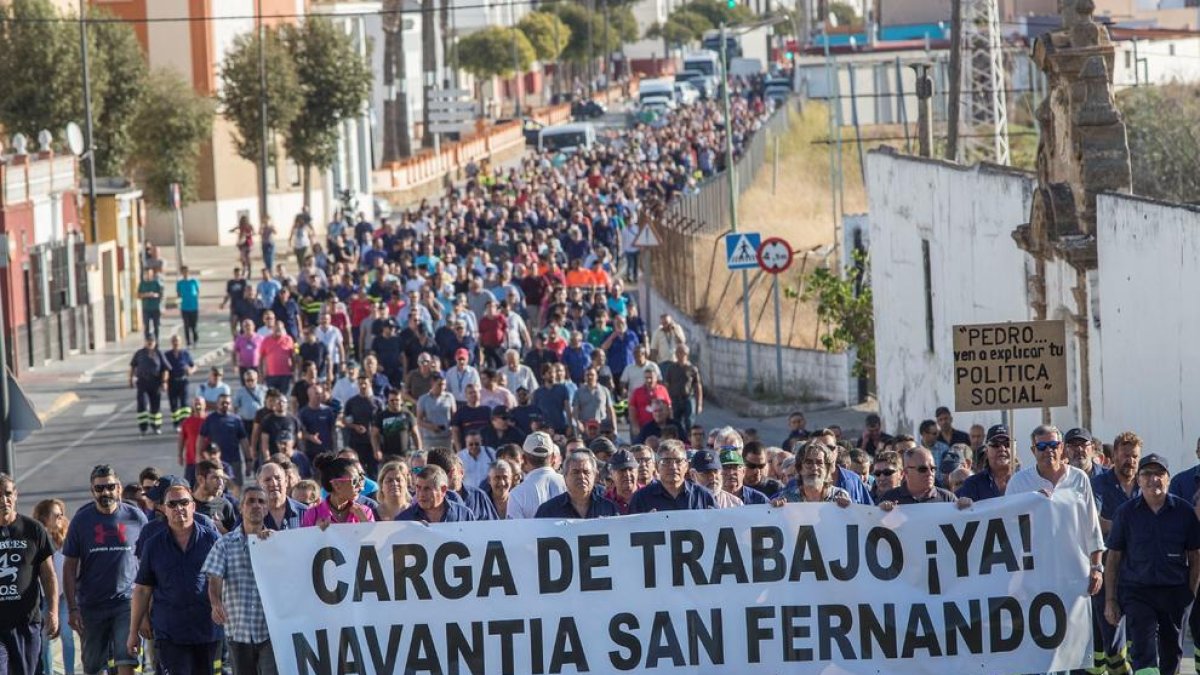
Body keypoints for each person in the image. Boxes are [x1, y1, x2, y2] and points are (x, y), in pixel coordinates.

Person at [1104, 453, 1200, 675]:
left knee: (1171, 654)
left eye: (1159, 473)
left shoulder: (1184, 512)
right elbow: (1114, 558)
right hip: (1138, 593)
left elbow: (1195, 556)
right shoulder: (1126, 514)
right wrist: (1110, 600)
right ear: (1138, 480)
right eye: (1146, 474)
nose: (1153, 479)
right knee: (1143, 652)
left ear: (1168, 478)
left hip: (1174, 593)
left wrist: (1190, 595)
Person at [127, 482, 221, 674]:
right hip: (169, 631)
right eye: (172, 504)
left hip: (206, 630)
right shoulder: (153, 546)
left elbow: (226, 580)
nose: (179, 508)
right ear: (163, 509)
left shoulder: (212, 540)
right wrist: (133, 631)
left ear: (193, 506)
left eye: (184, 502)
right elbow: (143, 590)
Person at [63, 465, 148, 675]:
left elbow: (148, 562)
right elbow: (69, 566)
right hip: (91, 605)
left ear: (118, 488)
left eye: (110, 487)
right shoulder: (81, 521)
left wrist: (148, 606)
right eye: (99, 489)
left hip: (127, 603)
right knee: (94, 666)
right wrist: (73, 608)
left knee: (126, 658)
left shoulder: (136, 518)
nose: (105, 493)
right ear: (93, 491)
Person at [1007, 424, 1106, 600]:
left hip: (1074, 571)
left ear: (1061, 448)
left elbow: (1091, 527)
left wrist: (1096, 567)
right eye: (1042, 447)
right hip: (1034, 573)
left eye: (1053, 445)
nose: (1048, 451)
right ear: (1033, 450)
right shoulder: (1018, 482)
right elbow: (1006, 525)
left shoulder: (1079, 478)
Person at [203, 484, 278, 675]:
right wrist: (216, 602)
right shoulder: (225, 544)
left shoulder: (278, 542)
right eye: (250, 501)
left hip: (271, 629)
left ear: (267, 509)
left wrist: (275, 546)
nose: (256, 506)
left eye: (261, 502)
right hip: (238, 629)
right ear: (241, 507)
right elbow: (214, 578)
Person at [1091, 432, 1141, 675]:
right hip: (1109, 571)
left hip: (1140, 572)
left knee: (1141, 638)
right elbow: (1095, 521)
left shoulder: (1145, 483)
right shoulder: (1099, 484)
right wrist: (1129, 527)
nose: (1129, 461)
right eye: (1125, 455)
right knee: (1111, 641)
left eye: (1134, 456)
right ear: (1114, 456)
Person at [0, 474, 59, 675]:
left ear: (16, 495)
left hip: (25, 622)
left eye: (8, 494)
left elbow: (49, 575)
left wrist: (53, 611)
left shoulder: (33, 530)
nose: (3, 500)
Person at [33, 498, 74, 675]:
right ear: (44, 517)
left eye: (62, 514)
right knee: (45, 638)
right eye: (56, 515)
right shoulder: (36, 537)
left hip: (63, 595)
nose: (61, 518)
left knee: (67, 635)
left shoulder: (66, 537)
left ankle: (70, 672)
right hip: (43, 596)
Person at [628, 440, 716, 513]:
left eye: (678, 461)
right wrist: (646, 522)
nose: (673, 467)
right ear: (657, 466)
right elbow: (630, 529)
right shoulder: (640, 499)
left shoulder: (703, 496)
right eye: (666, 461)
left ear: (686, 466)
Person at [877, 447, 973, 509]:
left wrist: (966, 509)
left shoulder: (947, 498)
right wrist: (881, 513)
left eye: (933, 468)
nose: (930, 473)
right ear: (906, 472)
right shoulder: (889, 498)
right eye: (922, 469)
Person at [535, 451, 620, 518]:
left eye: (586, 472)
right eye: (575, 472)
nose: (582, 476)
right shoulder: (548, 511)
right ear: (565, 477)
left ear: (595, 477)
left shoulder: (609, 509)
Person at [301, 454, 375, 527]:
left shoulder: (365, 512)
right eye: (354, 481)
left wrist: (365, 523)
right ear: (336, 485)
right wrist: (316, 532)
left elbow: (372, 538)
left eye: (360, 480)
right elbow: (304, 539)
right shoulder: (313, 514)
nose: (360, 487)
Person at [506, 432, 567, 519]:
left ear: (523, 459)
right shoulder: (569, 485)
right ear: (553, 458)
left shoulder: (516, 494)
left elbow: (515, 531)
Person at [772, 443, 852, 506]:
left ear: (827, 469)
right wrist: (775, 508)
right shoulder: (787, 498)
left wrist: (848, 510)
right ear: (799, 468)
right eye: (808, 462)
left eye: (819, 462)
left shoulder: (839, 495)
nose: (814, 467)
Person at [199, 394, 251, 485]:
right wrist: (199, 456)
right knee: (217, 488)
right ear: (217, 404)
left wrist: (248, 460)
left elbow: (244, 441)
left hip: (234, 461)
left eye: (228, 403)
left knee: (236, 488)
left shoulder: (236, 420)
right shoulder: (210, 419)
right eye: (222, 403)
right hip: (215, 462)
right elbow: (201, 438)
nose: (225, 405)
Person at [956, 424, 1015, 501]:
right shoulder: (972, 484)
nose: (1002, 448)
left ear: (1014, 449)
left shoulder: (1025, 480)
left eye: (1007, 444)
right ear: (986, 450)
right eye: (995, 444)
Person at [396, 465, 475, 522]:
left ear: (443, 490)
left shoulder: (464, 516)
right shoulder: (404, 519)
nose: (421, 494)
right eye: (418, 487)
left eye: (427, 489)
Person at [130, 335, 170, 435]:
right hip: (143, 382)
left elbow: (165, 369)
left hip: (155, 383)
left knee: (155, 406)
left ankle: (156, 426)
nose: (150, 343)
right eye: (148, 341)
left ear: (155, 342)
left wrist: (164, 382)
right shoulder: (139, 353)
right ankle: (143, 427)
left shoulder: (159, 353)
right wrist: (130, 379)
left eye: (152, 341)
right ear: (145, 342)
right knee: (142, 404)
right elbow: (132, 366)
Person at [258, 462, 308, 531]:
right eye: (267, 480)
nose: (273, 483)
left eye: (277, 478)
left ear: (286, 481)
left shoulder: (306, 513)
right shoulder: (251, 517)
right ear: (259, 485)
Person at [192, 461, 238, 533]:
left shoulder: (225, 505)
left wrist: (221, 529)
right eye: (215, 478)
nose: (221, 483)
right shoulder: (185, 504)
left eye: (222, 479)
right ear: (201, 480)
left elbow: (235, 539)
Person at [163, 334, 196, 432]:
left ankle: (185, 422)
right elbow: (164, 368)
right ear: (171, 342)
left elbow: (193, 366)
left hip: (183, 381)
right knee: (174, 404)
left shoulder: (185, 353)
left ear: (180, 342)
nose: (175, 343)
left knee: (184, 404)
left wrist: (191, 370)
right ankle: (176, 423)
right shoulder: (167, 355)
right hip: (172, 382)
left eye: (177, 341)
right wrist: (164, 381)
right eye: (174, 341)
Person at [415, 373, 455, 449]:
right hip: (430, 439)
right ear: (432, 383)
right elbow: (419, 420)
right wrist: (431, 427)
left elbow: (454, 417)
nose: (442, 387)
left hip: (446, 438)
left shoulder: (449, 397)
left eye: (444, 385)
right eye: (439, 384)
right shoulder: (423, 399)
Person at [175, 266, 201, 347]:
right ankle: (188, 342)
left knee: (194, 326)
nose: (185, 273)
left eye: (186, 271)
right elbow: (178, 293)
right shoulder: (180, 283)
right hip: (184, 307)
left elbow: (197, 291)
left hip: (194, 307)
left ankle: (195, 340)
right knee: (186, 325)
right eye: (183, 272)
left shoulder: (194, 281)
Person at [138, 268, 165, 341]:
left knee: (156, 326)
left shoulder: (156, 283)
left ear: (152, 274)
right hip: (146, 308)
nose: (148, 275)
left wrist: (155, 295)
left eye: (150, 274)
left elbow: (161, 294)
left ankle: (156, 341)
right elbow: (138, 295)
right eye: (146, 274)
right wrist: (145, 295)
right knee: (146, 326)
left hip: (155, 308)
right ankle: (147, 341)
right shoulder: (142, 283)